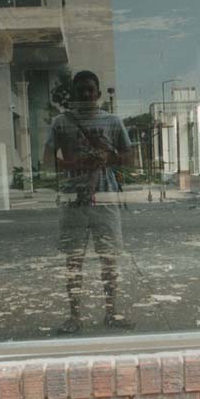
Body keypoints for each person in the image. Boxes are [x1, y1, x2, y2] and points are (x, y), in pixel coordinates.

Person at [43, 70, 134, 334]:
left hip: (105, 198)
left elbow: (130, 158)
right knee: (74, 260)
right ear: (73, 93)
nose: (85, 93)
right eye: (80, 89)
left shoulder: (113, 121)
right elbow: (47, 162)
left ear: (98, 93)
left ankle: (112, 312)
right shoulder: (61, 122)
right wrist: (76, 163)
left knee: (109, 259)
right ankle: (74, 317)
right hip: (74, 200)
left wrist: (109, 158)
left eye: (89, 89)